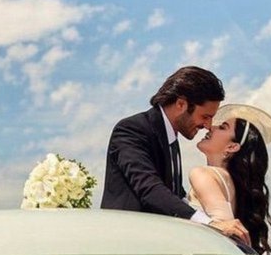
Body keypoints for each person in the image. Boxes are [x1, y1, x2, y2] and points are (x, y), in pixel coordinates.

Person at [102, 65, 250, 245]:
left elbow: (176, 195)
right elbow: (149, 188)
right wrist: (211, 224)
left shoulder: (171, 140)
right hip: (126, 246)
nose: (208, 125)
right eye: (205, 116)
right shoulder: (132, 129)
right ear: (181, 104)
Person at [188, 104, 271, 253]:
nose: (211, 128)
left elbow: (225, 230)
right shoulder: (230, 182)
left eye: (222, 127)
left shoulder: (203, 174)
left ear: (232, 147)